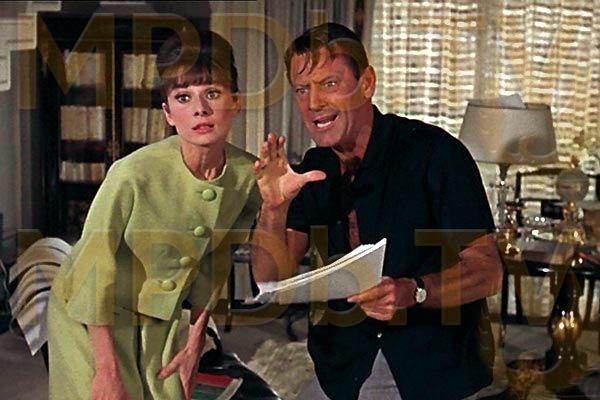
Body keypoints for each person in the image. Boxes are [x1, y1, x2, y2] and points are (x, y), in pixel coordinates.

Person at [251, 23, 503, 400]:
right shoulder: (315, 168)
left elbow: (488, 271)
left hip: (429, 365)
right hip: (342, 364)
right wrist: (274, 207)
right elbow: (270, 278)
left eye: (329, 84)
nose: (313, 103)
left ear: (366, 83)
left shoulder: (435, 153)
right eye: (302, 89)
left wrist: (415, 291)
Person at [48, 30, 261, 400]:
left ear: (236, 102)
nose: (200, 109)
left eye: (212, 93)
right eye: (183, 97)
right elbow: (90, 270)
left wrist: (195, 342)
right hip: (90, 315)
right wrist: (106, 370)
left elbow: (215, 263)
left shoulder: (247, 176)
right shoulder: (131, 174)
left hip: (157, 316)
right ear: (168, 113)